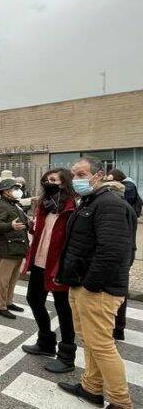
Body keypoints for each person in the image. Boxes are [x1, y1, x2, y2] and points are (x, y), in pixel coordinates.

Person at [56, 157, 137, 409]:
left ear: (98, 175)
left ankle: (120, 402)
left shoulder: (109, 204)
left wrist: (91, 285)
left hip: (98, 289)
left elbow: (113, 252)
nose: (76, 180)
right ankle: (91, 387)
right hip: (81, 285)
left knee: (101, 345)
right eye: (74, 175)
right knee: (89, 341)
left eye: (81, 174)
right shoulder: (90, 201)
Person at [20, 168, 78, 373]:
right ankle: (45, 341)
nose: (48, 182)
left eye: (53, 179)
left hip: (58, 265)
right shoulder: (44, 205)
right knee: (34, 299)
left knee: (63, 309)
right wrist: (31, 226)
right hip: (39, 261)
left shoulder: (71, 207)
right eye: (46, 179)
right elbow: (41, 232)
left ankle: (67, 355)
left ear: (64, 183)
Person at [106, 168, 142, 341]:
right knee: (119, 289)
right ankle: (118, 327)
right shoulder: (128, 204)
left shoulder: (119, 207)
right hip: (126, 252)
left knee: (115, 290)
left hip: (118, 254)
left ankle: (116, 327)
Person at [0, 178, 29, 319]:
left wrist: (30, 224)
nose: (18, 191)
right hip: (7, 249)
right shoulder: (0, 206)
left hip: (18, 248)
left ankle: (8, 302)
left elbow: (22, 223)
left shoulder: (14, 205)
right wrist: (10, 226)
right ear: (6, 191)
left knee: (12, 279)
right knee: (3, 280)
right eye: (15, 188)